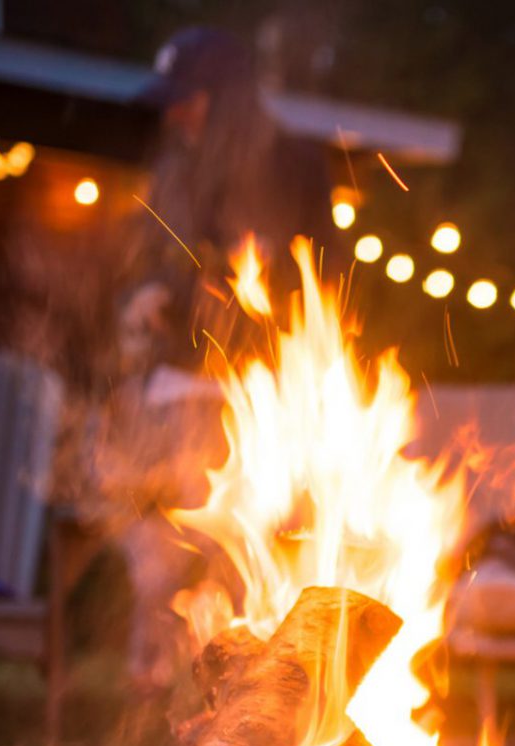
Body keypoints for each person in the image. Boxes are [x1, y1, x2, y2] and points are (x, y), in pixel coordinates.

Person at [89, 26, 335, 706]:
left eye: (187, 98)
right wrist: (140, 296)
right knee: (156, 558)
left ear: (225, 98)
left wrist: (202, 286)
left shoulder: (289, 162)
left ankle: (234, 715)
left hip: (252, 394)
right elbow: (149, 259)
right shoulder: (173, 168)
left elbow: (312, 273)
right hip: (172, 392)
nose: (174, 113)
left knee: (238, 557)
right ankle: (150, 707)